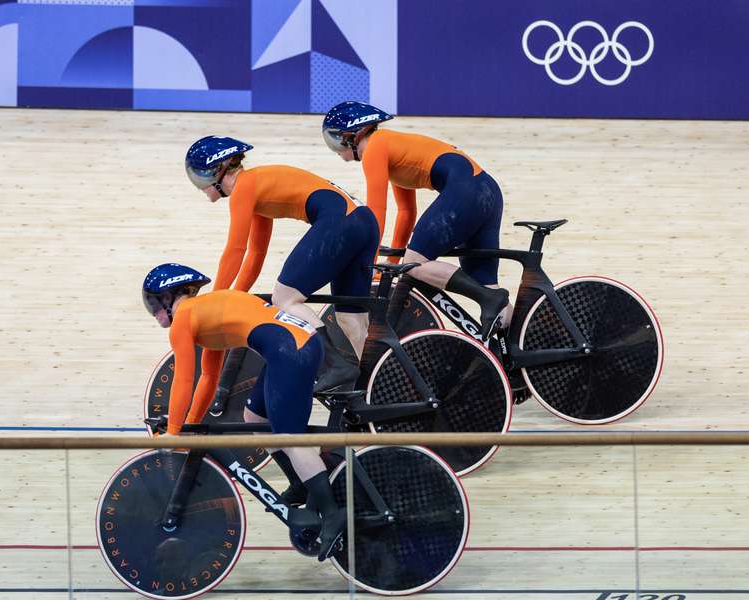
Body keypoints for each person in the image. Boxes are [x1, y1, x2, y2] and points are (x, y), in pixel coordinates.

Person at [142, 262, 344, 561]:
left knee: (287, 438)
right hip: (293, 344)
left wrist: (173, 433)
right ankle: (301, 482)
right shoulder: (205, 311)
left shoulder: (185, 317)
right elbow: (208, 378)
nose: (155, 311)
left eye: (154, 303)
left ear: (169, 297)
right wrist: (192, 426)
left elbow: (184, 379)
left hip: (289, 348)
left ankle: (332, 514)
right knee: (255, 419)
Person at [184, 136, 379, 391]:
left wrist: (216, 298)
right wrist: (233, 296)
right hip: (363, 221)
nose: (199, 185)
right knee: (351, 320)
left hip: (341, 223)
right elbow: (255, 255)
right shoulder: (256, 186)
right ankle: (369, 390)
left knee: (285, 300)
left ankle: (335, 366)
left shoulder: (244, 187)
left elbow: (235, 250)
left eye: (200, 176)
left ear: (218, 170)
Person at [322, 101, 511, 340]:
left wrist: (367, 262)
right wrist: (392, 261)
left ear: (351, 135)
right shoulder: (390, 147)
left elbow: (375, 213)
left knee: (415, 263)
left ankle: (490, 299)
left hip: (467, 192)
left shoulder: (375, 148)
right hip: (486, 190)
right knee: (485, 283)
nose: (338, 153)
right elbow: (406, 212)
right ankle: (514, 353)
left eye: (335, 142)